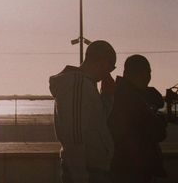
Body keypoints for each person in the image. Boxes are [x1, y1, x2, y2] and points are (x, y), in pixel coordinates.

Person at [49, 40, 116, 183]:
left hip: (92, 169)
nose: (109, 73)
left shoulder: (86, 85)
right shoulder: (78, 85)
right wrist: (80, 177)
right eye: (111, 67)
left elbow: (96, 123)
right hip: (87, 171)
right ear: (104, 62)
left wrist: (107, 97)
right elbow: (75, 136)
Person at [108, 55, 167, 183]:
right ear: (142, 74)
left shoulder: (121, 94)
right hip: (134, 169)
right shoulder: (132, 99)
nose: (149, 77)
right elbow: (158, 132)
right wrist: (161, 119)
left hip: (125, 166)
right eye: (148, 72)